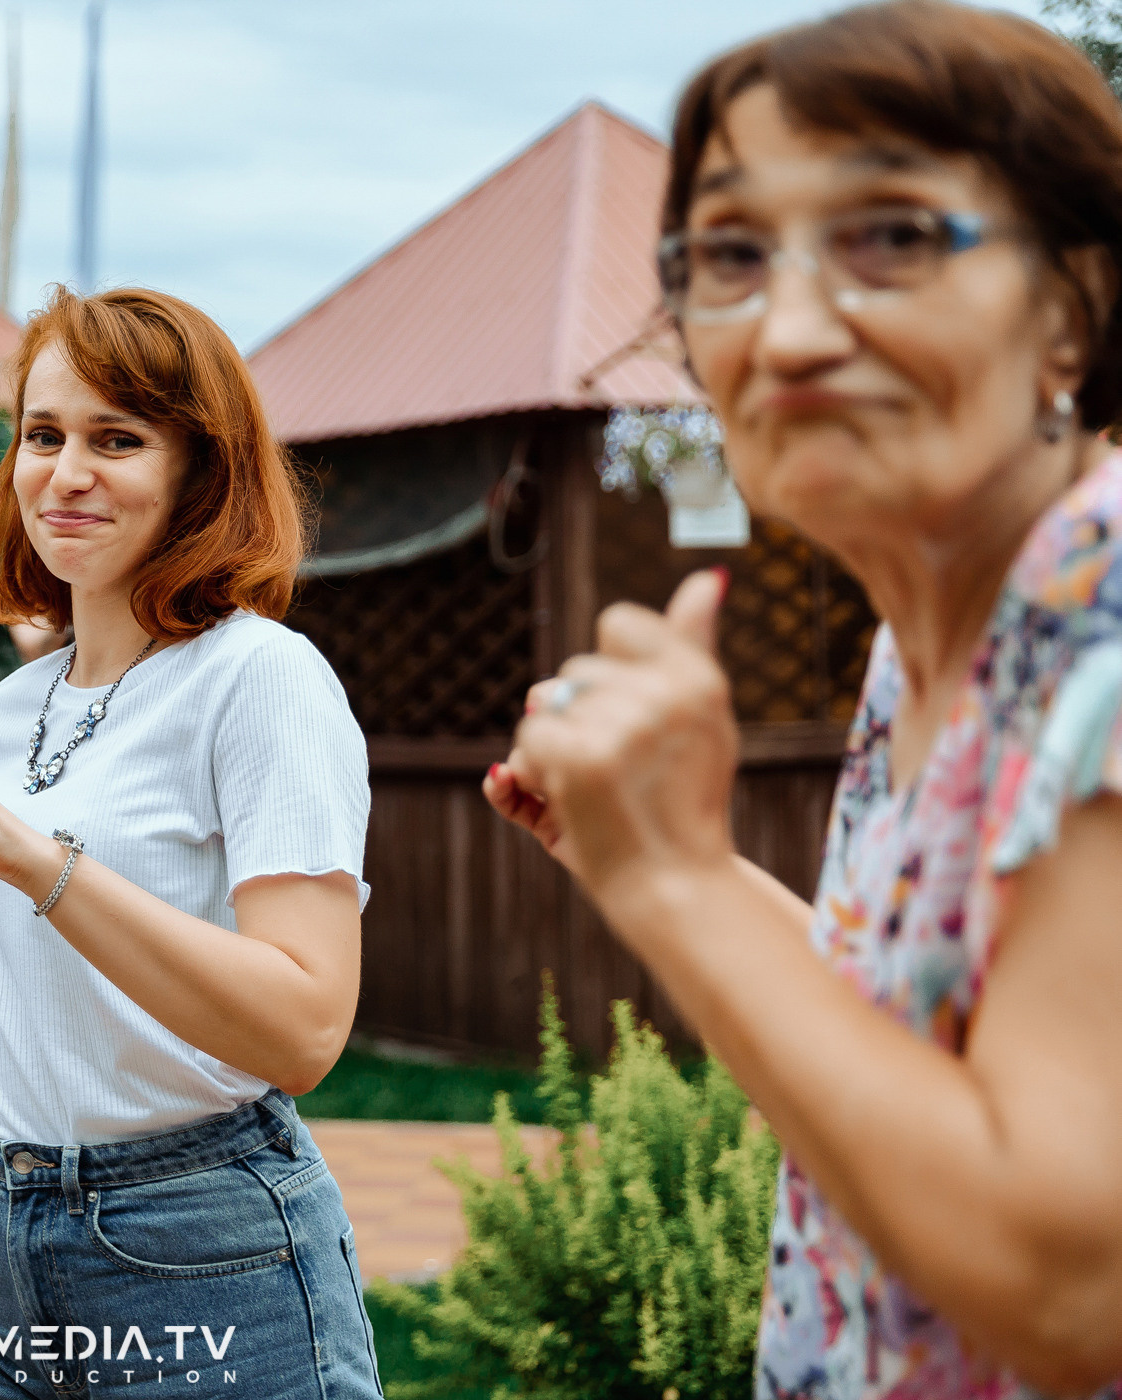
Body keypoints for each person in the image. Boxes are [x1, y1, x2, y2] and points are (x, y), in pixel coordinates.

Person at [483, 4, 1122, 1394]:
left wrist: (678, 890)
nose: (789, 329)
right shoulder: (935, 633)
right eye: (728, 256)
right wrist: (669, 856)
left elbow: (1077, 1294)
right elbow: (905, 1049)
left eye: (890, 235)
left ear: (1074, 303)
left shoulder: (1110, 616)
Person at [0, 287, 379, 1398]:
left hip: (202, 1240)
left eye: (117, 439)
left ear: (200, 471)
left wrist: (29, 857)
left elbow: (304, 1025)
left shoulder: (260, 679)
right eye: (43, 434)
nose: (66, 472)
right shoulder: (11, 710)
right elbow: (89, 998)